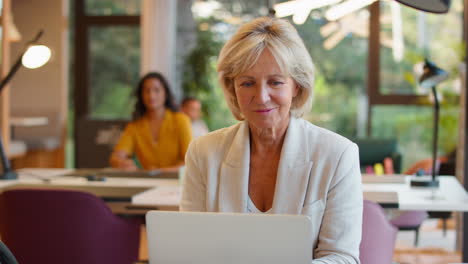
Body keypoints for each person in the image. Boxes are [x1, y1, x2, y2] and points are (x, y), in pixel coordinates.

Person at [180, 17, 362, 263]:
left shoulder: (338, 155)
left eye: (275, 82)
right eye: (247, 83)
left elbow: (341, 257)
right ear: (232, 87)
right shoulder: (203, 152)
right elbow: (190, 248)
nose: (262, 97)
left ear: (296, 86)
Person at [110, 72, 192, 172]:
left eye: (156, 90)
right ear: (141, 95)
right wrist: (120, 162)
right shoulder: (135, 126)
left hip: (177, 182)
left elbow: (190, 162)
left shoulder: (181, 120)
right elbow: (116, 157)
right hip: (149, 181)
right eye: (147, 91)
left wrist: (159, 171)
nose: (151, 95)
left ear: (165, 93)